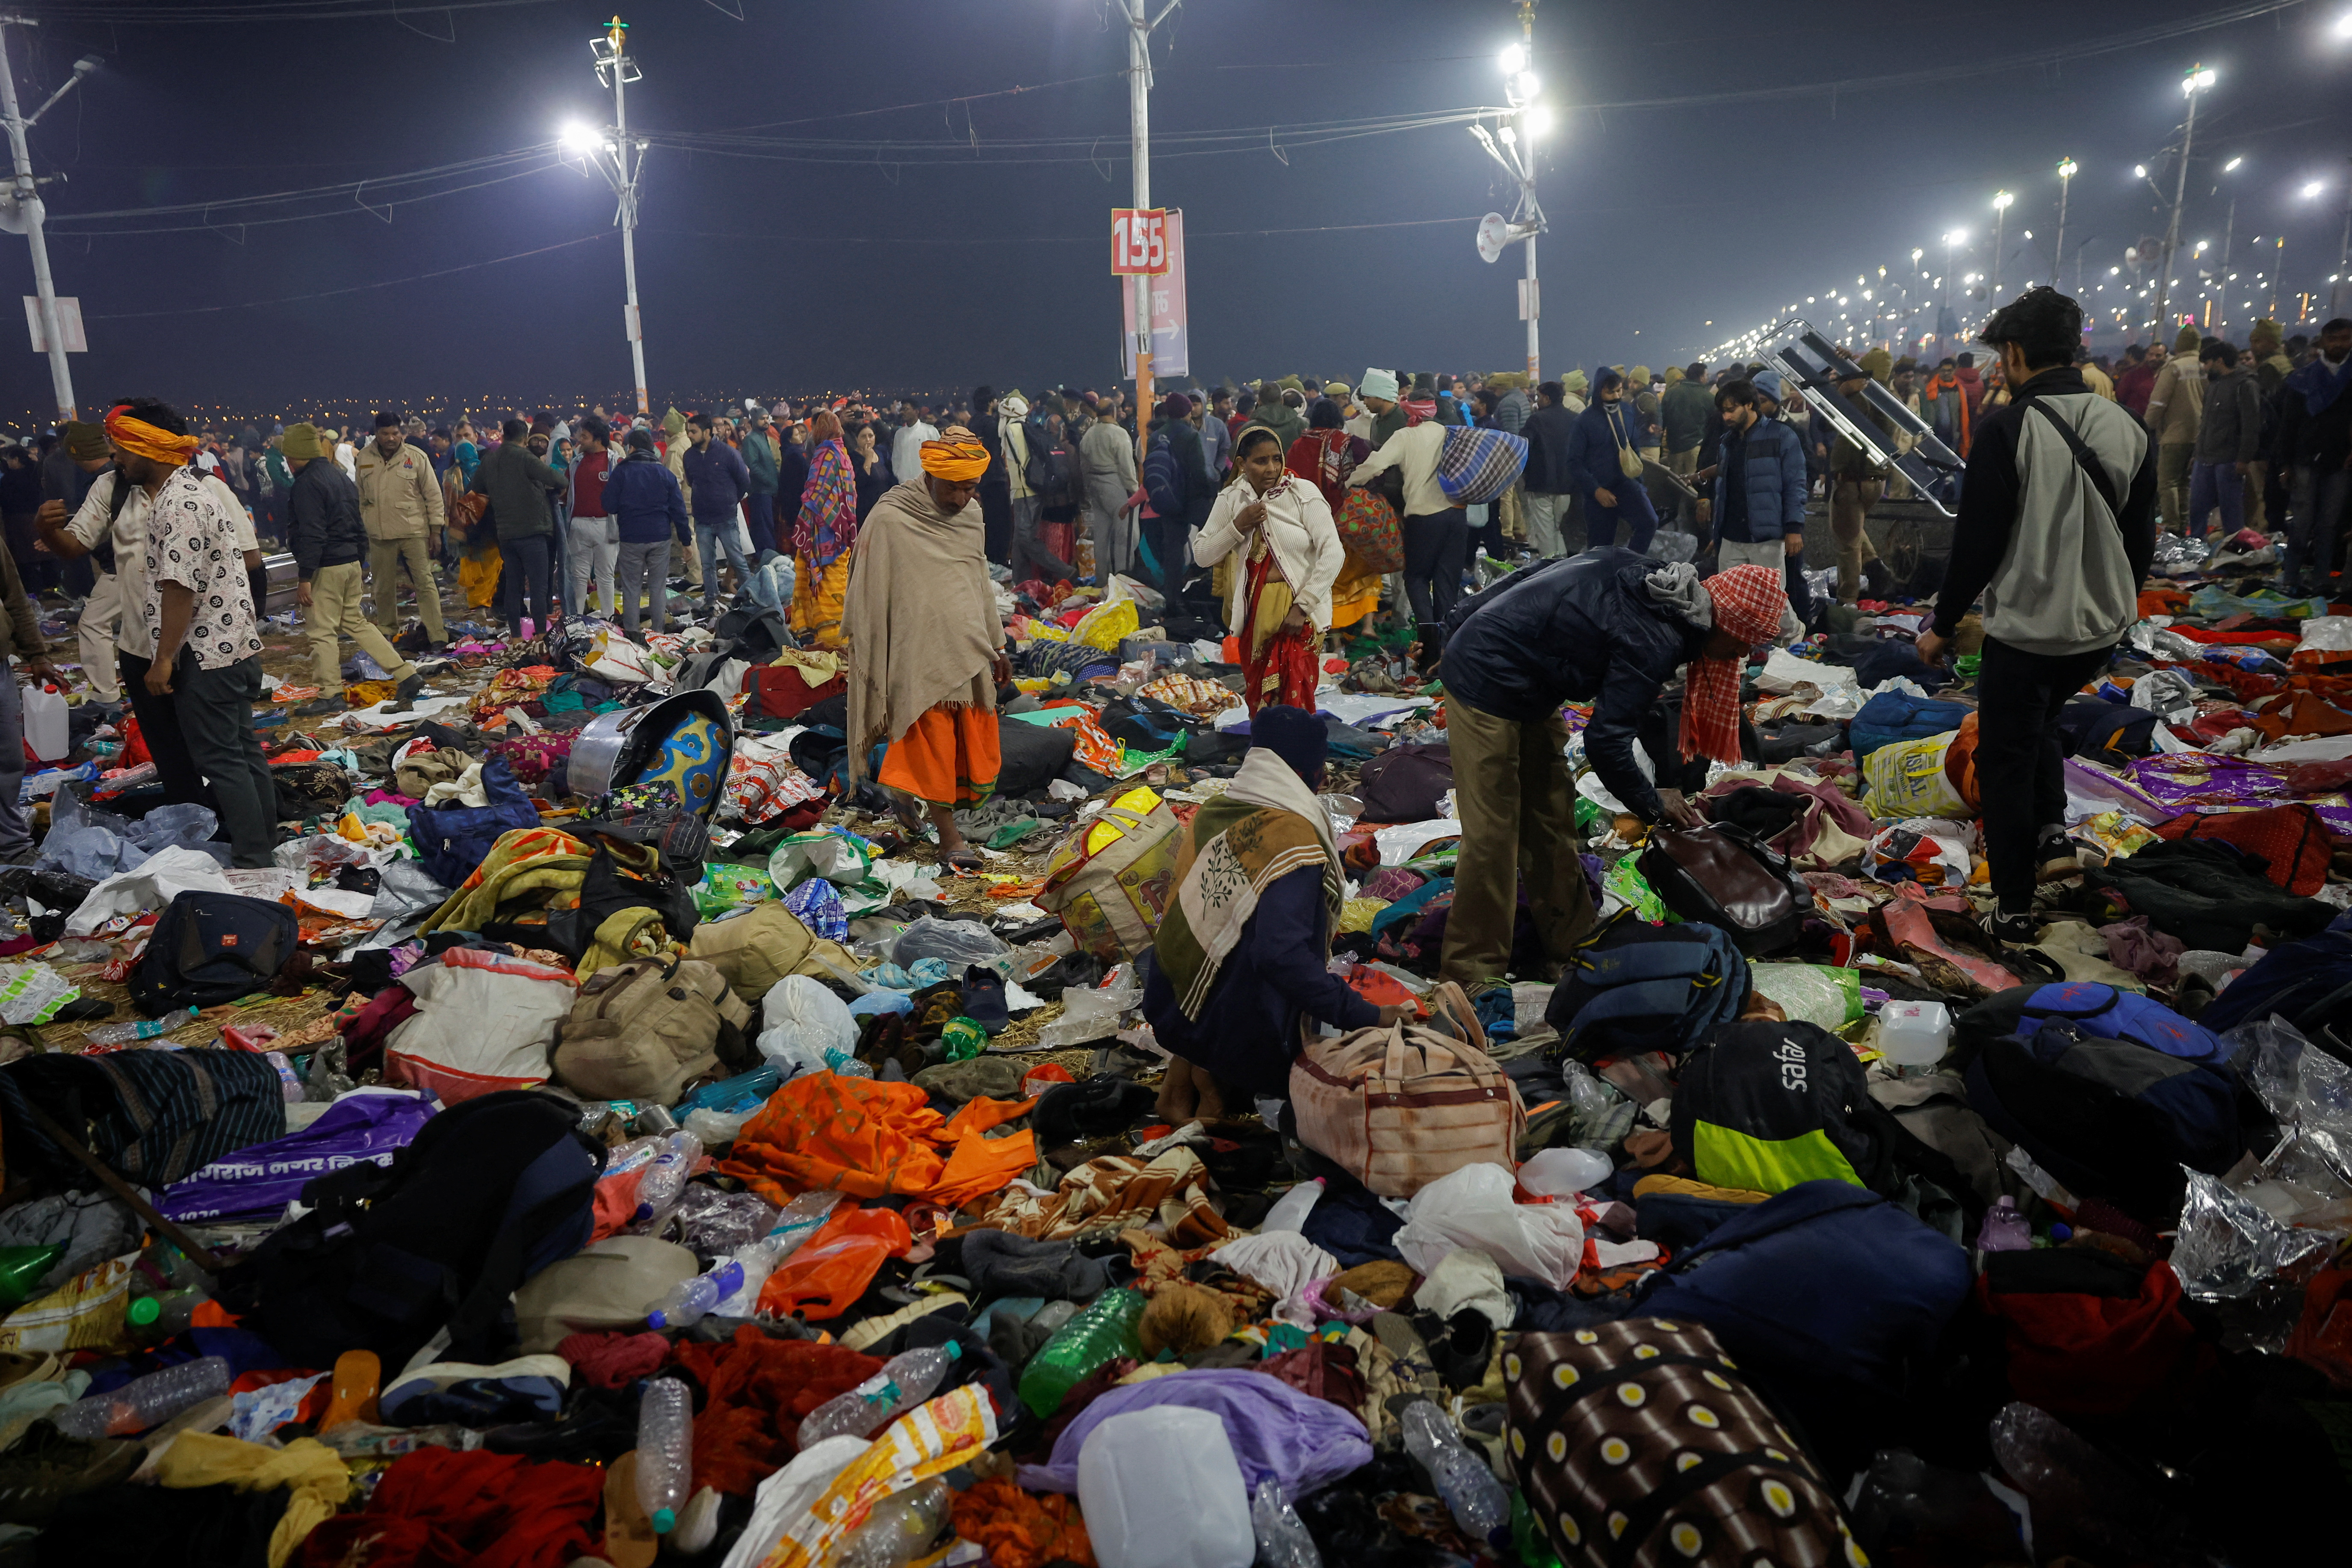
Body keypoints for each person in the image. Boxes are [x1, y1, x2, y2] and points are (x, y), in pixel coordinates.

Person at [1915, 288, 2156, 945]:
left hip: (2027, 631)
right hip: (2098, 632)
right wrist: (2117, 609)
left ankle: (2015, 904)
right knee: (2044, 721)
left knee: (2007, 754)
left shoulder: (2006, 429)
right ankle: (2054, 833)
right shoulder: (2130, 427)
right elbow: (2141, 543)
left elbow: (1979, 541)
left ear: (2016, 353)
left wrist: (1942, 623)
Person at [1437, 555, 1788, 988]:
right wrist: (1650, 799)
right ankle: (1471, 973)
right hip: (1482, 676)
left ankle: (1573, 948)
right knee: (1493, 832)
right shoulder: (1655, 636)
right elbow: (1605, 741)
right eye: (1739, 645)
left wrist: (1458, 619)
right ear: (1722, 623)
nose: (1740, 656)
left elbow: (1541, 569)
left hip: (1531, 683)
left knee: (1551, 818)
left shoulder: (1662, 581)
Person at [1141, 704, 1403, 1120]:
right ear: (1311, 773)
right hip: (1231, 1037)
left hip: (1169, 1008)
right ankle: (1221, 1079)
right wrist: (1370, 1017)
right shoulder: (1291, 838)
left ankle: (1191, 1068)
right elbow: (1283, 958)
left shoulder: (1217, 810)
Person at [63, 402, 278, 866]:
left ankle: (254, 859)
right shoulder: (195, 493)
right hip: (231, 648)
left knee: (222, 760)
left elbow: (179, 589)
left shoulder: (176, 505)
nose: (117, 459)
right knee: (242, 752)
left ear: (148, 447)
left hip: (204, 654)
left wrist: (163, 661)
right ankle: (265, 842)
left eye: (122, 449)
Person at [842, 427, 1012, 873]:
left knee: (966, 741)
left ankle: (904, 797)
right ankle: (949, 836)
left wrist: (997, 644)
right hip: (916, 649)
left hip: (969, 645)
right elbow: (867, 588)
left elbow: (978, 580)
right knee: (933, 738)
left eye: (969, 488)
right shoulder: (891, 517)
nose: (959, 498)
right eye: (951, 487)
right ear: (929, 476)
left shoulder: (972, 515)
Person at [1195, 425, 1345, 712]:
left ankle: (1295, 756)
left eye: (1277, 459)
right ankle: (1267, 754)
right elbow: (1202, 555)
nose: (1272, 468)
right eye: (1261, 461)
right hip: (1256, 618)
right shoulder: (1232, 499)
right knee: (1260, 703)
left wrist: (1302, 607)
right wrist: (1237, 527)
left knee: (1295, 701)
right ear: (1242, 464)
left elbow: (1333, 553)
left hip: (1301, 615)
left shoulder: (1302, 493)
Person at [283, 423, 424, 707]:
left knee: (321, 631)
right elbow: (359, 522)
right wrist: (359, 560)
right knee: (356, 622)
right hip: (349, 561)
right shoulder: (339, 476)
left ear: (295, 455)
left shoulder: (306, 484)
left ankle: (330, 694)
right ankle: (406, 673)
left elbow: (312, 533)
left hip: (326, 565)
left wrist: (305, 576)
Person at [1696, 379, 1809, 639]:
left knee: (1773, 603)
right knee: (1729, 603)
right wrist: (1718, 533)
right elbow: (1725, 491)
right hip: (1731, 536)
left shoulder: (1781, 436)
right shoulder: (1727, 443)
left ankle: (1794, 638)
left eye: (1732, 409)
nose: (1726, 416)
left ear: (1750, 405)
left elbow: (1795, 484)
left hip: (1766, 536)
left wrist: (1794, 529)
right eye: (1723, 411)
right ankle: (1741, 655)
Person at [1348, 404, 1464, 641]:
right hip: (1457, 516)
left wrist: (1349, 483)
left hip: (1425, 518)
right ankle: (1447, 645)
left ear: (1410, 416)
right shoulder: (1449, 433)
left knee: (1416, 577)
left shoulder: (1405, 436)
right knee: (1446, 582)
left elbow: (1376, 464)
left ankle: (1429, 639)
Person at [354, 411, 446, 650]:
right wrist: (366, 524)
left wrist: (436, 530)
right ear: (377, 434)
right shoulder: (364, 458)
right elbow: (361, 497)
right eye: (385, 434)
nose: (391, 438)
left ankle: (437, 635)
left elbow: (434, 496)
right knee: (383, 587)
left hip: (413, 531)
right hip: (380, 535)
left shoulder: (416, 457)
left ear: (401, 433)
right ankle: (387, 634)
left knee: (425, 583)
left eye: (395, 433)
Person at [1286, 398, 1379, 632]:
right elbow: (1369, 461)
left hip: (1308, 521)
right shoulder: (1346, 442)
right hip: (1345, 518)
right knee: (1362, 570)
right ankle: (1368, 626)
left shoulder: (1298, 445)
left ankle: (1332, 629)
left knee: (1325, 574)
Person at [2277, 316, 2352, 598]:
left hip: (2341, 462)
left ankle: (2321, 579)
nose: (2339, 345)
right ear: (2322, 342)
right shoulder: (2302, 379)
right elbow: (2289, 424)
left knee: (2329, 525)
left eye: (2345, 339)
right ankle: (2291, 576)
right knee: (2301, 522)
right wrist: (2284, 464)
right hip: (2305, 460)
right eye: (2334, 340)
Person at [468, 416, 565, 633]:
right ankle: (541, 635)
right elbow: (560, 481)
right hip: (533, 532)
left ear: (504, 436)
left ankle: (516, 637)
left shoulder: (490, 460)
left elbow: (476, 487)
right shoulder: (526, 458)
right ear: (525, 437)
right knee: (539, 588)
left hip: (506, 533)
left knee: (514, 586)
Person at [603, 426, 688, 638]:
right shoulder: (665, 474)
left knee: (631, 588)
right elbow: (679, 511)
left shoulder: (621, 472)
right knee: (657, 588)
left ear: (631, 448)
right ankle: (658, 633)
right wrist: (686, 542)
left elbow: (609, 505)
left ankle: (632, 634)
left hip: (631, 538)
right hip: (660, 537)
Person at [1565, 369, 1660, 554]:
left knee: (1649, 522)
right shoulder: (1584, 422)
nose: (1617, 396)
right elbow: (1574, 463)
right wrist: (1596, 490)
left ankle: (1629, 567)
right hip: (1598, 493)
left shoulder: (1626, 411)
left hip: (1626, 485)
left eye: (1619, 391)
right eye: (1611, 393)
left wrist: (1639, 485)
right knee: (1600, 550)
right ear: (1600, 391)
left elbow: (1633, 449)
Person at [1826, 354, 1894, 604]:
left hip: (1852, 480)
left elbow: (1826, 420)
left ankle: (1848, 601)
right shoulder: (1888, 397)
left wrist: (1841, 392)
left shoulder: (1859, 399)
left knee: (1846, 544)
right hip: (1877, 481)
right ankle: (1876, 567)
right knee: (1853, 530)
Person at [792, 410, 860, 650]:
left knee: (821, 582)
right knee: (838, 581)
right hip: (842, 531)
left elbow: (815, 494)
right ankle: (840, 635)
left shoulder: (824, 454)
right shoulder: (844, 454)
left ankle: (829, 637)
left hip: (822, 534)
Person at [2187, 338, 2260, 540]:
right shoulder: (2215, 385)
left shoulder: (2245, 385)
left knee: (2231, 510)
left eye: (2207, 363)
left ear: (2219, 361)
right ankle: (2197, 547)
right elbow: (2206, 422)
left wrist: (2244, 459)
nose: (2205, 368)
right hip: (2205, 457)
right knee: (2197, 507)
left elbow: (2251, 425)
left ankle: (2233, 548)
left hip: (2229, 459)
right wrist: (2197, 453)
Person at [682, 413, 753, 619]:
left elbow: (744, 482)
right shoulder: (689, 456)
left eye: (693, 431)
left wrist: (731, 501)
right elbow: (690, 481)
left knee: (737, 560)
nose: (689, 435)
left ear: (707, 432)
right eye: (688, 431)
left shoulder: (728, 454)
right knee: (707, 563)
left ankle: (750, 599)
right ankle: (711, 600)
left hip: (726, 518)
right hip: (703, 519)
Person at [2142, 325, 2206, 532]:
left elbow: (2158, 403)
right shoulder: (2205, 366)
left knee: (2167, 482)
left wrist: (2145, 428)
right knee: (2185, 483)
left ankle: (2171, 526)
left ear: (2179, 345)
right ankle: (2185, 524)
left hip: (2175, 433)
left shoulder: (2174, 367)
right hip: (2199, 434)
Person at [1079, 392, 1139, 581]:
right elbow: (1127, 467)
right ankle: (1123, 579)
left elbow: (1084, 465)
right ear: (1114, 412)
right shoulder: (1118, 433)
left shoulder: (1089, 434)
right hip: (1116, 485)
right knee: (1125, 536)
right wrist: (1135, 491)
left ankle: (1102, 580)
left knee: (1102, 536)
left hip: (1095, 487)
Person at [565, 416, 619, 620]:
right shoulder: (576, 463)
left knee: (605, 576)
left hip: (606, 525)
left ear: (598, 440)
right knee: (578, 577)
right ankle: (576, 618)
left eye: (585, 437)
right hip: (578, 525)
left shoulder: (614, 462)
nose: (580, 440)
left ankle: (608, 618)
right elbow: (566, 490)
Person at [1519, 381, 1578, 559]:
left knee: (1545, 533)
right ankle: (1564, 566)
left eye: (1538, 396)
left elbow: (1524, 447)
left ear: (1546, 398)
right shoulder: (1575, 419)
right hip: (1569, 486)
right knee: (1559, 530)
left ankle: (1550, 571)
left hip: (1541, 484)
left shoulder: (1536, 419)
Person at [741, 408, 782, 561]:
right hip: (760, 490)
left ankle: (767, 555)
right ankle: (765, 556)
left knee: (768, 524)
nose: (766, 421)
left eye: (767, 418)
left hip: (769, 490)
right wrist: (771, 481)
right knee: (763, 526)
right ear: (754, 421)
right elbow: (753, 466)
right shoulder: (751, 439)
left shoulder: (764, 436)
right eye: (762, 419)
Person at [890, 403, 937, 508]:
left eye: (906, 409)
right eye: (902, 410)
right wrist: (900, 475)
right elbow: (896, 458)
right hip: (905, 487)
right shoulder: (899, 434)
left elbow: (939, 457)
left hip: (927, 487)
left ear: (916, 411)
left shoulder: (930, 431)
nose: (903, 412)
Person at [849, 420, 892, 523]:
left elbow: (889, 476)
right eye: (863, 437)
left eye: (871, 436)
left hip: (883, 506)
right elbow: (861, 479)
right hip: (865, 508)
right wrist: (868, 458)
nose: (868, 440)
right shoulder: (852, 457)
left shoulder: (881, 452)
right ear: (857, 439)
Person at [1359, 368, 1407, 449]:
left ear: (1382, 396)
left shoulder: (1404, 419)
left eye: (1368, 397)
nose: (1365, 402)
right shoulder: (1375, 421)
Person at [2113, 343, 2158, 418]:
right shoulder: (2162, 373)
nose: (2154, 358)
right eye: (2151, 355)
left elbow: (2120, 395)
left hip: (2134, 416)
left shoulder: (2132, 374)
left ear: (2130, 355)